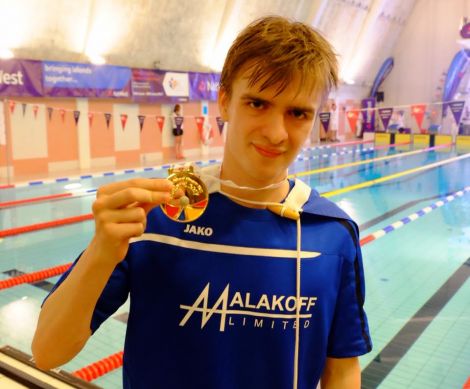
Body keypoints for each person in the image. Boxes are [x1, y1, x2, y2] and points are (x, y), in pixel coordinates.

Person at [32, 16, 372, 389]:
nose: (276, 133)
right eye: (257, 103)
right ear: (224, 101)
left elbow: (341, 369)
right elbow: (48, 352)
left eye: (297, 113)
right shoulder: (155, 217)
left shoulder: (332, 234)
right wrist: (101, 251)